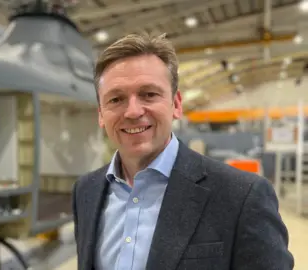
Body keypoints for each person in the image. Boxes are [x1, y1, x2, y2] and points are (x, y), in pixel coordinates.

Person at [71, 33, 294, 270]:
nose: (133, 111)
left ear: (176, 105)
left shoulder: (243, 197)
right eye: (116, 99)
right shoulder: (86, 190)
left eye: (149, 94)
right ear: (100, 114)